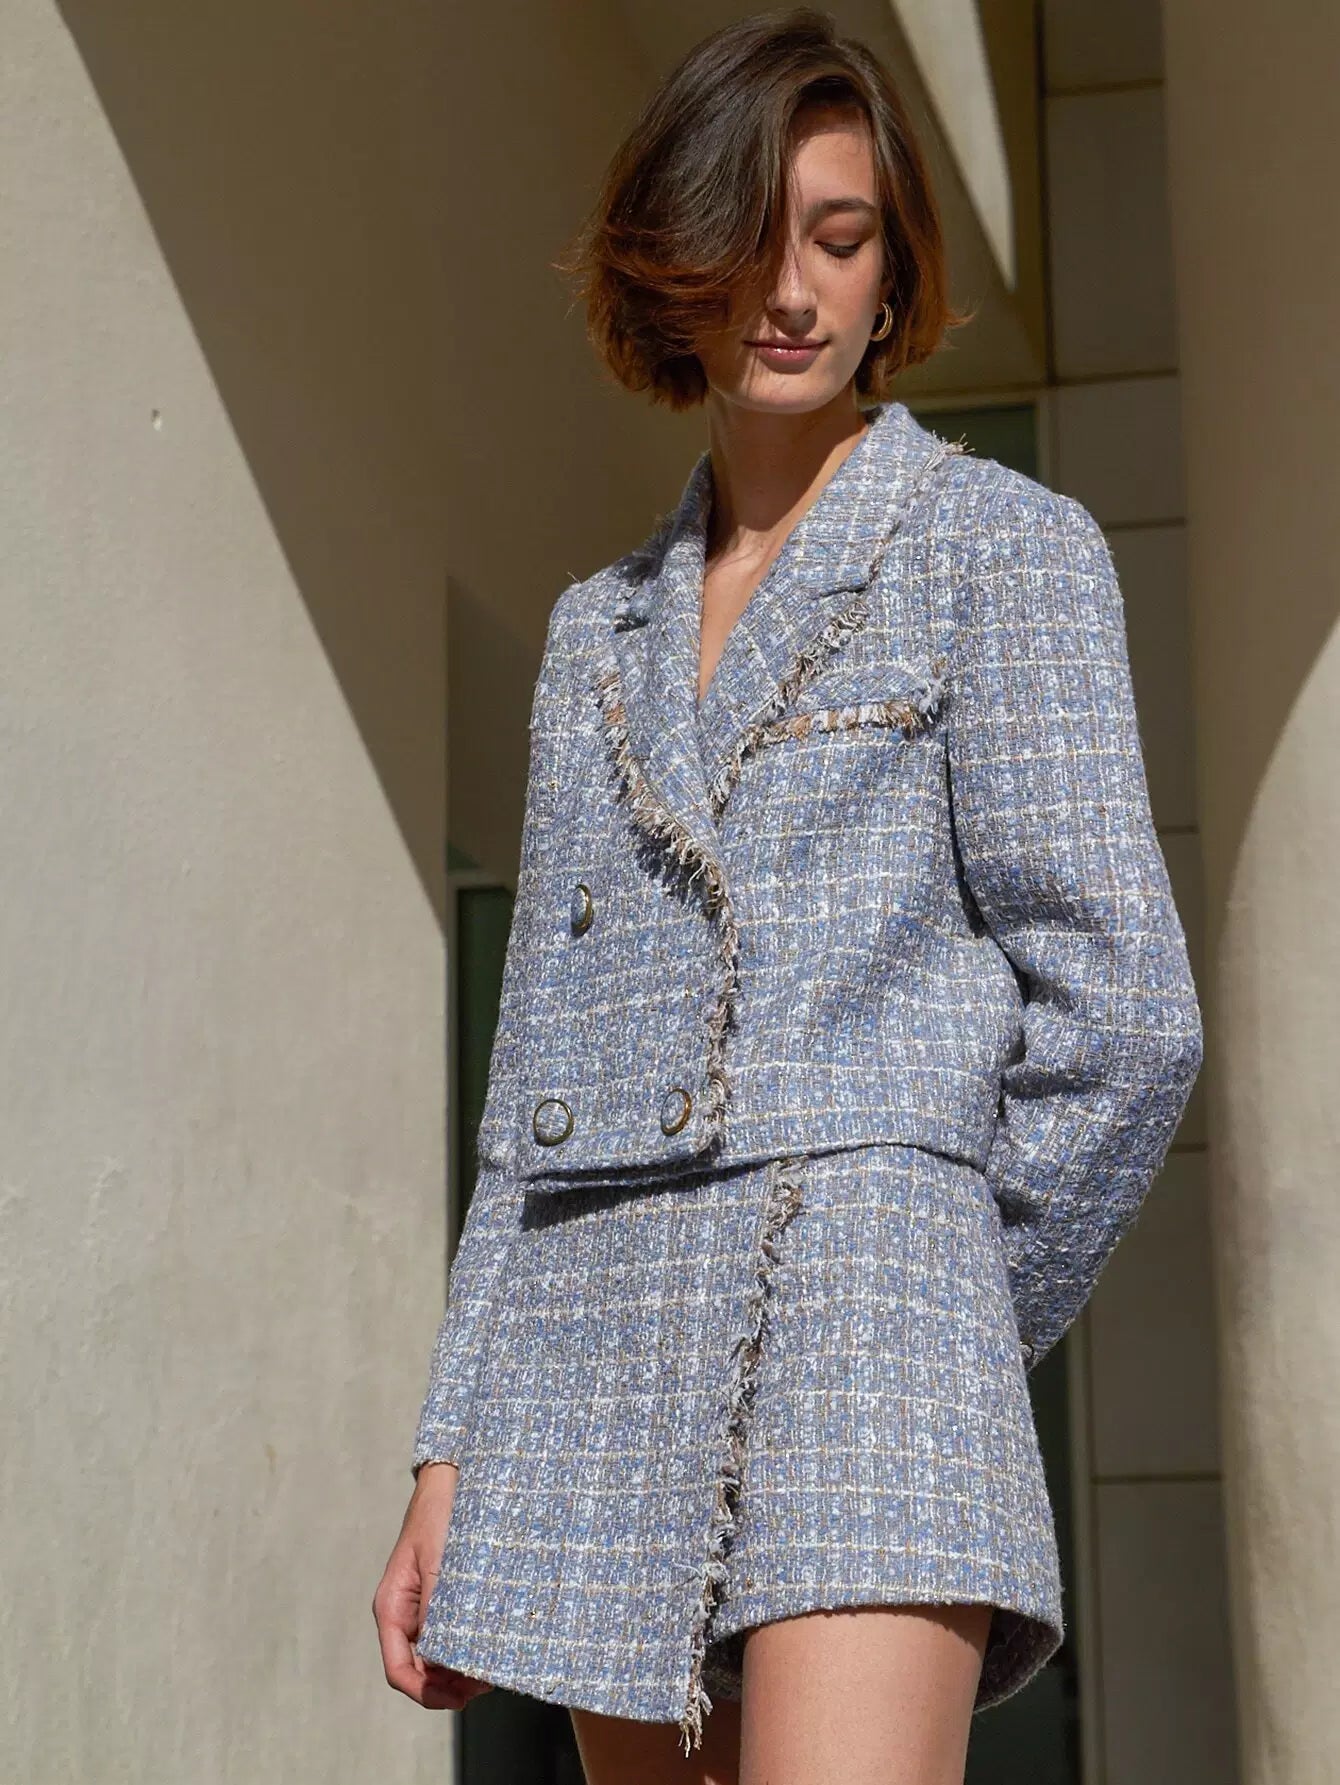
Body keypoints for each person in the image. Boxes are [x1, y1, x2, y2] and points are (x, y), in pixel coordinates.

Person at [373, 10, 1203, 1783]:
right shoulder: (592, 636)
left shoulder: (1000, 548)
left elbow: (1127, 1015)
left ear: (893, 267)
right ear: (675, 252)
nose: (796, 289)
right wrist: (454, 1449)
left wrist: (932, 1285)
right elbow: (532, 1094)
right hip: (598, 1350)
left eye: (842, 237)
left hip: (866, 1330)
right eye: (755, 236)